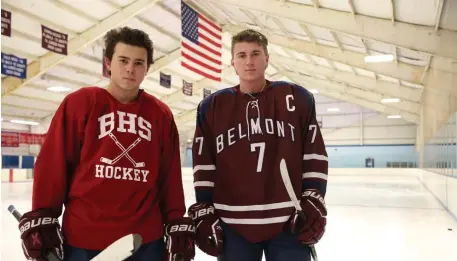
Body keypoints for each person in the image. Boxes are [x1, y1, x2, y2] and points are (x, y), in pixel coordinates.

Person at [17, 27, 195, 261]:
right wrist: (43, 216)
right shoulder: (80, 103)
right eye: (123, 60)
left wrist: (175, 221)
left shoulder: (160, 114)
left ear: (147, 69)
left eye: (139, 63)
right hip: (84, 238)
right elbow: (54, 165)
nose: (130, 69)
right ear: (108, 63)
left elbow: (169, 176)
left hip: (145, 239)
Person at [187, 29, 328, 261]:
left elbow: (314, 154)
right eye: (241, 55)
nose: (249, 61)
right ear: (233, 62)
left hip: (289, 220)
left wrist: (314, 196)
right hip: (232, 222)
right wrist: (204, 207)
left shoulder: (297, 98)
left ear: (267, 58)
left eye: (255, 53)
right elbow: (204, 164)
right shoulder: (211, 107)